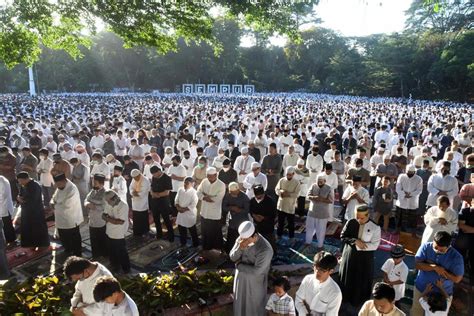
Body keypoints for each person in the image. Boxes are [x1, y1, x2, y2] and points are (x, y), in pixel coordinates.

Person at [411, 231, 464, 315]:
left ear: (449, 246)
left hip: (442, 296)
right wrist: (435, 267)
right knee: (416, 313)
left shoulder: (457, 257)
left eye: (441, 250)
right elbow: (417, 265)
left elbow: (457, 279)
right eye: (435, 247)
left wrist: (443, 271)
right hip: (421, 289)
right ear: (433, 241)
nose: (437, 251)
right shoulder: (425, 246)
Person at [340, 205, 381, 307]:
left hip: (364, 259)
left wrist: (360, 246)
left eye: (362, 218)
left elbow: (375, 245)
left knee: (360, 280)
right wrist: (355, 241)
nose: (359, 220)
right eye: (357, 216)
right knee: (348, 277)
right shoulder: (351, 222)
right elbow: (343, 236)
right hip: (349, 256)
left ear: (368, 215)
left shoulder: (375, 227)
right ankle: (345, 299)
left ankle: (359, 302)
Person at [230, 221, 273, 316]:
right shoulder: (242, 239)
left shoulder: (265, 249)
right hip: (240, 281)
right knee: (239, 305)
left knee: (253, 308)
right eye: (243, 239)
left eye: (247, 240)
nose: (245, 242)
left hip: (255, 284)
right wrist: (239, 248)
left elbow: (257, 271)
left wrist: (239, 265)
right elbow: (232, 257)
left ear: (255, 236)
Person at [295, 251, 342, 315]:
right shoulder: (307, 279)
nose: (317, 271)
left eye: (322, 270)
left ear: (331, 271)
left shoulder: (335, 292)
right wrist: (304, 313)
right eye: (316, 267)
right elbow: (298, 299)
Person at [51, 173, 83, 256]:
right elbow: (54, 197)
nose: (57, 186)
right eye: (56, 184)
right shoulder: (60, 187)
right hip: (60, 218)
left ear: (64, 181)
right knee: (63, 235)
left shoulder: (72, 189)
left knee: (74, 237)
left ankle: (77, 253)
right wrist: (52, 202)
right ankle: (68, 249)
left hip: (71, 218)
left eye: (58, 184)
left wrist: (55, 205)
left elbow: (67, 205)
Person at [16, 172, 50, 249]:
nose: (19, 183)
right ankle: (31, 244)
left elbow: (33, 200)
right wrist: (18, 198)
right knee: (28, 228)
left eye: (20, 181)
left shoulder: (35, 186)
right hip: (26, 211)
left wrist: (21, 200)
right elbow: (20, 194)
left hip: (36, 212)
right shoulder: (23, 185)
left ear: (25, 179)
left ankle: (42, 245)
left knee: (37, 229)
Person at [197, 167, 226, 252]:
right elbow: (198, 192)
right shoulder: (204, 181)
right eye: (208, 176)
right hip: (204, 211)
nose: (209, 178)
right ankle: (205, 247)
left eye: (210, 176)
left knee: (214, 232)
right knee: (205, 231)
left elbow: (217, 199)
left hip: (214, 214)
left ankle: (216, 248)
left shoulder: (221, 185)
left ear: (216, 175)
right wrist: (205, 196)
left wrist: (205, 196)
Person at [103, 190, 130, 274]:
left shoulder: (123, 205)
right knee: (112, 251)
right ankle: (115, 265)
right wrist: (111, 220)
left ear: (113, 199)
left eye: (108, 201)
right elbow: (103, 215)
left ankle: (126, 269)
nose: (107, 202)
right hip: (109, 231)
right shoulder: (109, 203)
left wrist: (108, 219)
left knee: (121, 252)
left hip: (119, 233)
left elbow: (120, 222)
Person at [305, 174, 334, 249]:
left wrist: (322, 199)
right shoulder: (313, 186)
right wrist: (314, 197)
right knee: (309, 228)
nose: (319, 183)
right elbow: (308, 196)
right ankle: (308, 242)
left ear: (325, 181)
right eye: (318, 181)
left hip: (322, 213)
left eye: (321, 182)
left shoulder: (329, 188)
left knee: (321, 230)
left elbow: (331, 200)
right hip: (312, 211)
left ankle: (320, 245)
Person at [395, 164, 423, 237]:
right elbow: (398, 188)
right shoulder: (401, 176)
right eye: (408, 172)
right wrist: (404, 194)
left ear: (414, 172)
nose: (409, 174)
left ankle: (413, 233)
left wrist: (411, 194)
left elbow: (419, 190)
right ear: (406, 171)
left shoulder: (419, 179)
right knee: (399, 217)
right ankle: (397, 230)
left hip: (413, 201)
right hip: (402, 201)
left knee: (413, 219)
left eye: (411, 172)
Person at [84, 174, 108, 258]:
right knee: (93, 239)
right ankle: (95, 255)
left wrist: (93, 206)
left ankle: (104, 254)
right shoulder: (93, 191)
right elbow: (86, 199)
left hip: (100, 220)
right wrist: (87, 204)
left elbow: (104, 206)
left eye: (95, 182)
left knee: (101, 239)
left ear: (101, 183)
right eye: (93, 182)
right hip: (92, 220)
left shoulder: (105, 193)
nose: (93, 183)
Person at [222, 182, 250, 252]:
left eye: (234, 192)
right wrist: (231, 208)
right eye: (232, 192)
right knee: (231, 240)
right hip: (232, 222)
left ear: (238, 190)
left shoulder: (244, 197)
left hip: (242, 222)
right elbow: (224, 207)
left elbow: (247, 210)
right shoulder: (228, 196)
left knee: (242, 240)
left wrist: (239, 210)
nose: (233, 194)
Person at [149, 165, 175, 242]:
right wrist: (152, 193)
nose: (153, 176)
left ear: (158, 171)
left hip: (163, 202)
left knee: (166, 219)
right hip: (155, 202)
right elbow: (151, 187)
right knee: (156, 219)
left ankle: (171, 236)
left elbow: (167, 192)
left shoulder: (167, 178)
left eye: (154, 174)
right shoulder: (154, 177)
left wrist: (157, 195)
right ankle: (159, 235)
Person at [275, 166, 301, 241]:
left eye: (290, 175)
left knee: (291, 223)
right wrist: (281, 192)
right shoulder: (282, 180)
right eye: (287, 174)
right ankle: (279, 235)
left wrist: (288, 194)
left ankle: (291, 237)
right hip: (281, 205)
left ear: (293, 174)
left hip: (290, 206)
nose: (288, 176)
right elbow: (276, 189)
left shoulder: (296, 182)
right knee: (280, 222)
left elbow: (297, 194)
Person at [249, 185, 277, 252]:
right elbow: (250, 211)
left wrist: (264, 218)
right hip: (257, 226)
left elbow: (274, 214)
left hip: (268, 226)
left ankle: (272, 253)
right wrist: (254, 216)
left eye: (260, 196)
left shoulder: (270, 201)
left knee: (270, 241)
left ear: (263, 194)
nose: (258, 197)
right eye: (257, 196)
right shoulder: (252, 200)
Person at [175, 177, 199, 247]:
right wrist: (178, 207)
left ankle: (195, 244)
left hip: (189, 214)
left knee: (192, 230)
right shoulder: (180, 190)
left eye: (187, 183)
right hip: (180, 213)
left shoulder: (194, 192)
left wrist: (183, 209)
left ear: (192, 184)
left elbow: (193, 204)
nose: (185, 184)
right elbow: (176, 199)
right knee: (181, 229)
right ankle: (183, 243)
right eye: (184, 183)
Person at [129, 169, 151, 237]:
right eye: (134, 178)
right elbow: (131, 187)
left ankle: (145, 231)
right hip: (135, 203)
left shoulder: (145, 180)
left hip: (142, 203)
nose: (135, 179)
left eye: (136, 177)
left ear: (139, 175)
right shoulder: (134, 179)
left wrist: (135, 193)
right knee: (136, 217)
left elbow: (143, 192)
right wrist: (133, 192)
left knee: (143, 218)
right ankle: (137, 232)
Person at [0, 174, 15, 244]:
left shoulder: (1, 180)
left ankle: (11, 241)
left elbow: (3, 195)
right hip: (3, 207)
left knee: (7, 226)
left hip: (4, 207)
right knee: (6, 225)